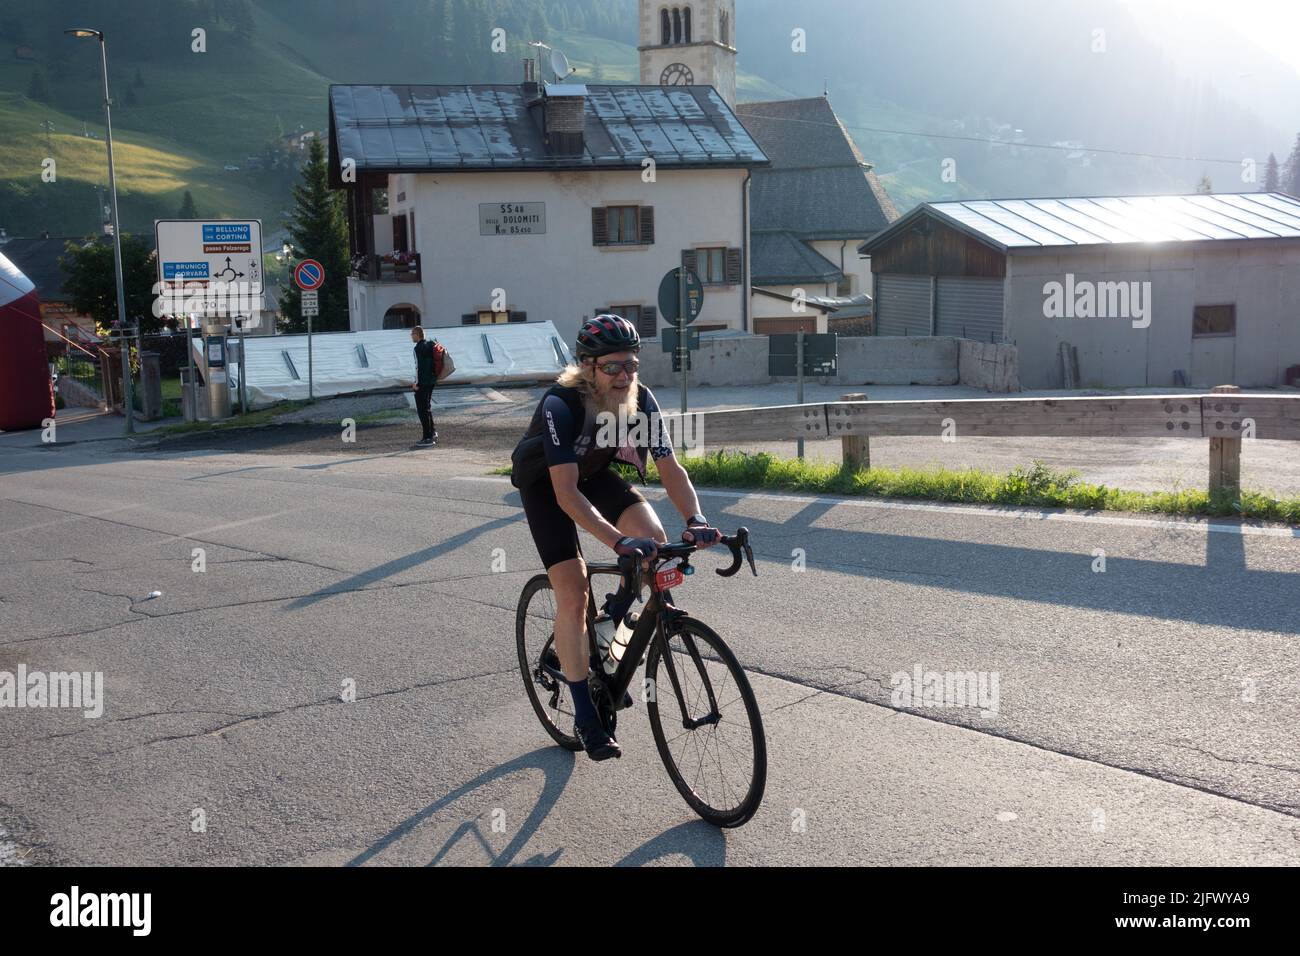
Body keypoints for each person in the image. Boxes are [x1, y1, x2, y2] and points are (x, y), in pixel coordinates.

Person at [511, 314, 721, 761]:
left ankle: (612, 621)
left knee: (654, 541)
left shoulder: (640, 400)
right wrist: (615, 541)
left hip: (593, 474)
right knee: (574, 592)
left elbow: (670, 468)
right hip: (549, 486)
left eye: (631, 365)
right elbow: (565, 493)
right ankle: (586, 715)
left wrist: (697, 518)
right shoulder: (561, 404)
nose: (624, 375)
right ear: (588, 368)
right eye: (612, 367)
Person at [409, 326, 438, 447]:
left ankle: (427, 438)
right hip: (431, 381)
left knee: (422, 410)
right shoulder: (430, 345)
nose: (411, 336)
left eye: (412, 334)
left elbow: (418, 367)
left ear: (417, 335)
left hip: (422, 383)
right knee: (427, 407)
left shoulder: (418, 348)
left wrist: (416, 383)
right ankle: (432, 432)